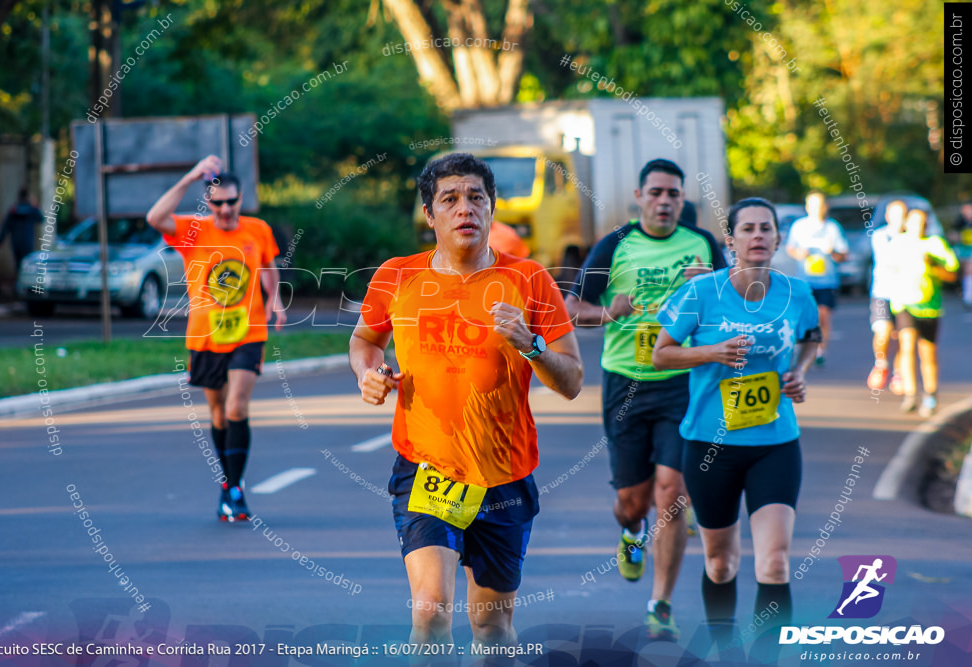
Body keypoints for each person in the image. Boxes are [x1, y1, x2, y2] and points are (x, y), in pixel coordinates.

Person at [350, 153, 582, 651]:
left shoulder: (530, 280)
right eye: (450, 199)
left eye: (477, 197)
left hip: (504, 474)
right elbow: (365, 339)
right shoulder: (397, 276)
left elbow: (573, 381)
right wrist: (369, 373)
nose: (465, 209)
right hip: (427, 469)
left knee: (491, 629)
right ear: (430, 215)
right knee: (431, 613)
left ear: (492, 209)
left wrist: (531, 345)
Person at [565, 159, 726, 641]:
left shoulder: (702, 245)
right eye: (655, 192)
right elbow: (574, 310)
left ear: (682, 200)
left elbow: (736, 306)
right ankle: (631, 532)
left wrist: (710, 290)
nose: (664, 201)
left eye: (673, 194)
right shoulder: (615, 245)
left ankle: (661, 604)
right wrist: (607, 313)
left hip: (682, 380)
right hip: (627, 384)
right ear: (639, 196)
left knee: (671, 492)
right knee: (631, 503)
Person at [652, 197, 821, 657]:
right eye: (747, 229)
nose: (758, 236)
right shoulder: (700, 293)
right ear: (731, 241)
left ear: (778, 237)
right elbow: (661, 353)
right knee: (721, 563)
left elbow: (811, 338)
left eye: (766, 228)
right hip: (710, 444)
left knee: (776, 562)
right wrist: (711, 352)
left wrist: (800, 371)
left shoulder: (796, 293)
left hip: (775, 442)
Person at [146, 155, 285, 521]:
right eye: (217, 202)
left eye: (231, 201)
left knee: (237, 406)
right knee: (219, 413)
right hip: (205, 335)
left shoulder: (257, 229)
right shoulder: (193, 230)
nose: (225, 209)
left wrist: (276, 301)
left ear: (241, 200)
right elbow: (154, 218)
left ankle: (236, 489)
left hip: (248, 330)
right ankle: (227, 483)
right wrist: (191, 176)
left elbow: (268, 266)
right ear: (208, 203)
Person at [890, 208, 959, 417]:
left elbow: (951, 274)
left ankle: (930, 394)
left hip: (929, 307)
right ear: (907, 223)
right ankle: (910, 395)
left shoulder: (935, 244)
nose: (917, 226)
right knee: (907, 346)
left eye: (922, 223)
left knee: (927, 353)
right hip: (904, 304)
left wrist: (933, 265)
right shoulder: (898, 243)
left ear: (926, 225)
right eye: (914, 222)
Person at [785, 191, 848, 366]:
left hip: (827, 281)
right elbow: (790, 248)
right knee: (804, 317)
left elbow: (843, 255)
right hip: (805, 281)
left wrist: (833, 252)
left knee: (823, 316)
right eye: (813, 205)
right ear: (807, 207)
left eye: (820, 205)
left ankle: (820, 351)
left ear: (825, 207)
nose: (817, 209)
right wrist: (799, 253)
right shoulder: (799, 226)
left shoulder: (832, 228)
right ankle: (804, 347)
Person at [866, 200, 907, 391]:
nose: (899, 219)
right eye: (895, 215)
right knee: (882, 331)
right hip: (882, 292)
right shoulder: (880, 236)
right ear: (889, 216)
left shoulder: (911, 237)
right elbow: (890, 260)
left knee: (900, 336)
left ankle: (899, 372)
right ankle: (881, 364)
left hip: (906, 294)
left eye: (903, 215)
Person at [0, 188, 44, 271]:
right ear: (28, 196)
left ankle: (19, 281)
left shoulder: (13, 210)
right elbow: (41, 219)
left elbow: (5, 225)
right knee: (28, 263)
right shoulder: (32, 209)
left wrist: (0, 240)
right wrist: (35, 205)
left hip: (16, 241)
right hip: (28, 241)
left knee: (18, 264)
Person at [948, 201, 972, 309]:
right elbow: (952, 234)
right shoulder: (960, 222)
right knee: (962, 271)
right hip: (962, 249)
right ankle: (964, 290)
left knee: (969, 269)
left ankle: (968, 297)